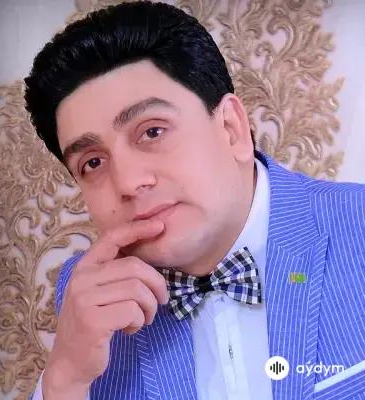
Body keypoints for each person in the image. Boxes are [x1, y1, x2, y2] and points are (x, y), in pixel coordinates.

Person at [23, 1, 365, 399]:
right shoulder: (87, 294)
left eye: (152, 132)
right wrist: (65, 377)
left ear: (231, 128)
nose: (129, 183)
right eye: (93, 162)